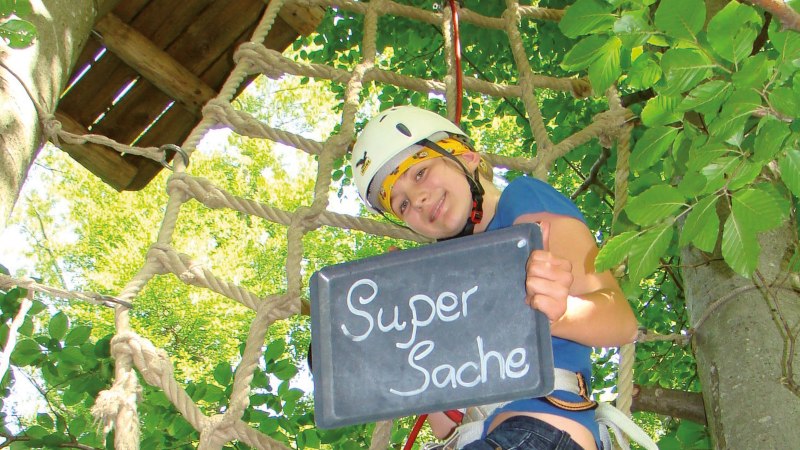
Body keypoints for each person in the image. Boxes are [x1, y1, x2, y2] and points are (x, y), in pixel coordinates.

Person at [350, 105, 639, 450]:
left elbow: (620, 322)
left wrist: (561, 313)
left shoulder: (521, 201)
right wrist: (400, 343)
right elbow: (447, 425)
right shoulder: (439, 290)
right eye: (402, 205)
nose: (419, 200)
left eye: (420, 173)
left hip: (542, 428)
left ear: (467, 156)